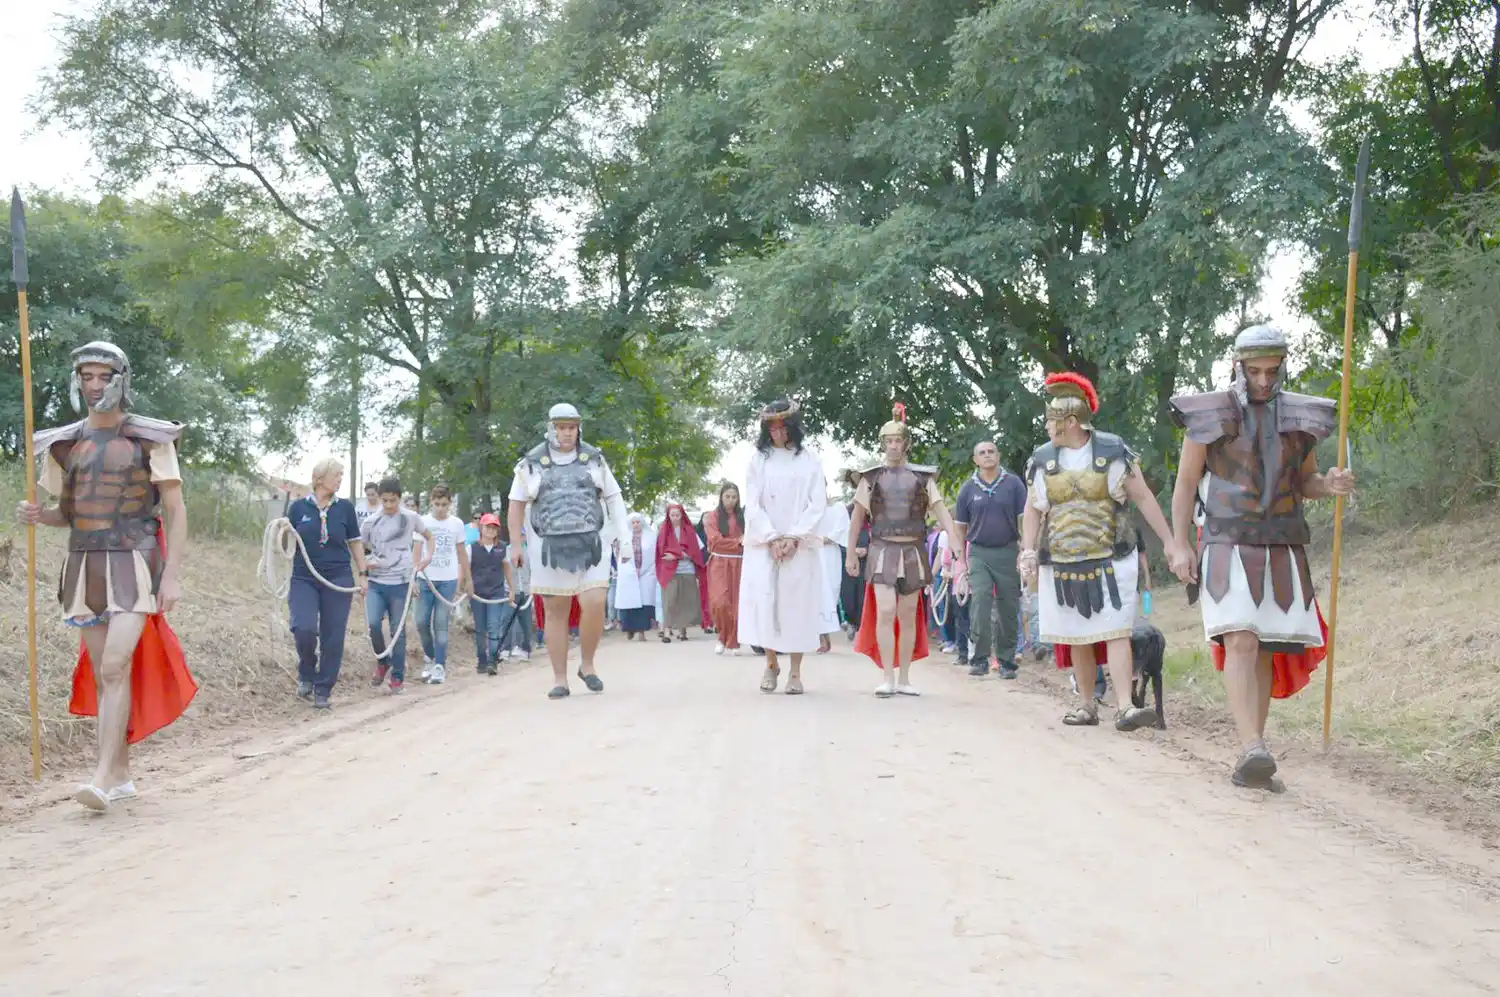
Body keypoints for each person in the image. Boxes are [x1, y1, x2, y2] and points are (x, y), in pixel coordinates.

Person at [1169, 323, 1351, 789]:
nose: (1264, 381)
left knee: (1266, 646)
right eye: (1255, 371)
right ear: (1239, 366)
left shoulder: (1297, 416)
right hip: (1226, 538)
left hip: (1282, 541)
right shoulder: (1209, 413)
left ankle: (1254, 751)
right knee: (1241, 639)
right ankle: (1252, 746)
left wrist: (1327, 485)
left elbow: (1304, 481)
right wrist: (1179, 543)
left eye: (1272, 371)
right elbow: (1187, 483)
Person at [18, 341, 195, 811]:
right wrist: (39, 516)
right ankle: (118, 774)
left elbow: (175, 512)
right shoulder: (62, 444)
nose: (94, 386)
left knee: (116, 665)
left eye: (103, 376)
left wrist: (172, 575)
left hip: (135, 562)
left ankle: (99, 778)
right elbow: (69, 513)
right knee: (104, 674)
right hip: (84, 565)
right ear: (77, 381)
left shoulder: (150, 438)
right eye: (87, 377)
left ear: (121, 379)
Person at [1018, 372, 1189, 730]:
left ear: (1070, 422)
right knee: (1076, 633)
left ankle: (1125, 705)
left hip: (1112, 556)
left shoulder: (1112, 452)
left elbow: (1142, 497)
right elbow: (1033, 508)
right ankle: (1086, 705)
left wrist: (1171, 542)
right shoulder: (1041, 460)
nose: (1047, 425)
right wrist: (1028, 551)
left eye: (1051, 419)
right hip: (1061, 560)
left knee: (1115, 630)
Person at [507, 403, 631, 699]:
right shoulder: (530, 464)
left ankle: (587, 665)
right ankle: (560, 678)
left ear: (578, 428)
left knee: (596, 600)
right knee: (556, 610)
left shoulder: (594, 460)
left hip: (592, 541)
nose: (566, 433)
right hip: (548, 545)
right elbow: (516, 505)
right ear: (551, 428)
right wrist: (515, 543)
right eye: (561, 427)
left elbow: (614, 497)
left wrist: (623, 536)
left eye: (571, 427)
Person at [848, 404, 961, 697]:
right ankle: (887, 676)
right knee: (886, 611)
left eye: (898, 441)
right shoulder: (870, 478)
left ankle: (906, 678)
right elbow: (858, 517)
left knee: (908, 614)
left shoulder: (922, 478)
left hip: (912, 551)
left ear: (906, 444)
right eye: (889, 441)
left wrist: (956, 540)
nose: (893, 446)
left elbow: (941, 510)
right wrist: (850, 552)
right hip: (882, 549)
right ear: (883, 444)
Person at [739, 398, 828, 695]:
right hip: (764, 543)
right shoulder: (758, 459)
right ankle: (770, 662)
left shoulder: (809, 460)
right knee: (766, 602)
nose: (777, 433)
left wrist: (793, 537)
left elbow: (817, 504)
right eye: (772, 428)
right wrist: (772, 537)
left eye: (782, 427)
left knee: (796, 605)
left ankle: (796, 671)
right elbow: (752, 502)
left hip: (799, 545)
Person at [286, 457, 369, 709]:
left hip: (338, 577)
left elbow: (355, 541)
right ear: (320, 477)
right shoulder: (298, 508)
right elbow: (287, 545)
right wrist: (280, 533)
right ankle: (307, 672)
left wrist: (363, 574)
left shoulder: (345, 508)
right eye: (337, 475)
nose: (340, 479)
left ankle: (323, 689)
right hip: (304, 577)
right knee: (304, 627)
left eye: (342, 475)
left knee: (333, 636)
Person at [954, 440, 1029, 678]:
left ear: (998, 455)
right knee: (981, 603)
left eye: (991, 451)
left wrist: (1025, 550)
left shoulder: (1014, 484)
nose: (987, 456)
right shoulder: (968, 489)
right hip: (979, 553)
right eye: (982, 453)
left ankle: (1007, 661)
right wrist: (960, 561)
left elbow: (1025, 521)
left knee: (1009, 606)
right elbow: (959, 528)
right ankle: (979, 659)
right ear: (975, 460)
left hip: (1008, 552)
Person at [361, 476, 434, 694]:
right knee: (373, 624)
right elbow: (360, 549)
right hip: (376, 582)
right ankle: (383, 661)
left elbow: (429, 536)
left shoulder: (411, 518)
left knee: (397, 629)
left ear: (399, 499)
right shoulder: (370, 522)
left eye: (393, 500)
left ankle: (397, 677)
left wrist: (427, 557)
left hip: (401, 582)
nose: (389, 505)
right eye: (385, 501)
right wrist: (365, 565)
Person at [415, 484, 470, 685]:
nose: (440, 508)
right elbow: (417, 549)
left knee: (440, 623)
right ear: (431, 502)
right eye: (437, 504)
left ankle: (440, 665)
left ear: (450, 504)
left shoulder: (456, 524)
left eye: (444, 505)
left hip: (447, 578)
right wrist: (414, 575)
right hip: (425, 578)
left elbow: (461, 552)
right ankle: (429, 657)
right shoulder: (422, 521)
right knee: (420, 621)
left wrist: (466, 580)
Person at [468, 512, 516, 676]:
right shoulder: (472, 548)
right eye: (488, 527)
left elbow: (508, 569)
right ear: (481, 528)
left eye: (494, 528)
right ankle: (481, 659)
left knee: (493, 626)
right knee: (480, 628)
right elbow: (465, 570)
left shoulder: (502, 548)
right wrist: (462, 588)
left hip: (496, 593)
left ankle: (492, 660)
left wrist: (512, 589)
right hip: (477, 593)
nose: (490, 530)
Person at [703, 483, 746, 655]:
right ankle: (721, 636)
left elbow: (750, 539)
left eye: (734, 497)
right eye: (727, 496)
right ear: (721, 497)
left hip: (739, 563)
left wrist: (742, 543)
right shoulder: (712, 517)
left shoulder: (743, 517)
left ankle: (734, 641)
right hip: (719, 563)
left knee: (737, 603)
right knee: (720, 601)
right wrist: (738, 542)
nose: (730, 500)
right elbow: (715, 541)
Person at [656, 503, 708, 641]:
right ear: (668, 516)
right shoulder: (664, 531)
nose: (674, 518)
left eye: (677, 515)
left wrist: (677, 555)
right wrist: (679, 555)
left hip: (687, 570)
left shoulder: (690, 531)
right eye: (672, 515)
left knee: (685, 600)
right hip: (669, 571)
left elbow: (696, 552)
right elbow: (661, 552)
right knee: (669, 601)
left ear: (682, 515)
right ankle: (666, 631)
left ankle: (682, 631)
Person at [615, 513, 660, 640]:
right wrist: (630, 570)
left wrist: (647, 569)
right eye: (633, 523)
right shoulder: (625, 537)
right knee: (629, 602)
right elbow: (623, 557)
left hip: (646, 572)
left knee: (644, 605)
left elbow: (653, 555)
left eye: (638, 522)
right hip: (629, 573)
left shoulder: (651, 537)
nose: (636, 525)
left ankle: (642, 632)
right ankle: (629, 629)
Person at [814, 498, 851, 652]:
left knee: (830, 591)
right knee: (814, 594)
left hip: (830, 553)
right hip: (811, 552)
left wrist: (825, 539)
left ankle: (825, 634)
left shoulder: (838, 507)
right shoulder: (807, 506)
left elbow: (842, 528)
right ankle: (820, 637)